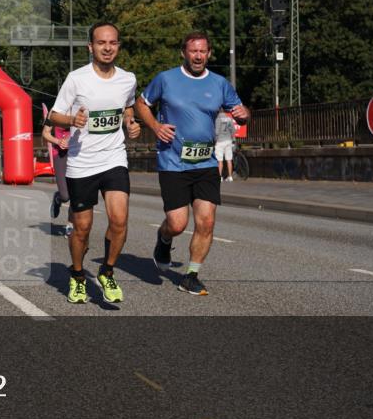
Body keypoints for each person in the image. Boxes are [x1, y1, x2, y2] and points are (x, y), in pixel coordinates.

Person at [135, 31, 250, 296]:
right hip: (173, 162)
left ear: (209, 54)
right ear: (184, 53)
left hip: (206, 163)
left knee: (206, 222)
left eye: (202, 51)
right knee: (177, 224)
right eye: (193, 51)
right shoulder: (166, 79)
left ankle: (191, 275)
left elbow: (241, 113)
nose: (198, 56)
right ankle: (164, 239)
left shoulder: (220, 83)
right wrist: (154, 125)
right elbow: (141, 104)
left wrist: (245, 115)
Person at [47, 22, 141, 305]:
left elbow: (128, 105)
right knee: (83, 227)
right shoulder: (77, 79)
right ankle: (77, 275)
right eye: (101, 43)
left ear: (118, 46)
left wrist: (130, 122)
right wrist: (71, 120)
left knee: (119, 220)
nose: (108, 47)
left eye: (112, 42)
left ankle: (107, 271)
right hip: (81, 162)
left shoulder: (128, 79)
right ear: (91, 47)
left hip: (114, 157)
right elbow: (54, 115)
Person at [41, 115, 73, 236]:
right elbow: (45, 133)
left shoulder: (81, 107)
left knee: (76, 193)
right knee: (66, 196)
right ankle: (58, 198)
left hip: (78, 154)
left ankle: (70, 225)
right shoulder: (54, 112)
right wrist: (58, 141)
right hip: (59, 154)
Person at [214, 110, 236, 182]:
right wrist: (233, 139)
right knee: (229, 159)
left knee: (220, 160)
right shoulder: (229, 119)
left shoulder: (218, 119)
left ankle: (220, 177)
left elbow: (216, 132)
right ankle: (230, 177)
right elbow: (233, 131)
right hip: (228, 140)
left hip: (220, 141)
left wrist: (215, 141)